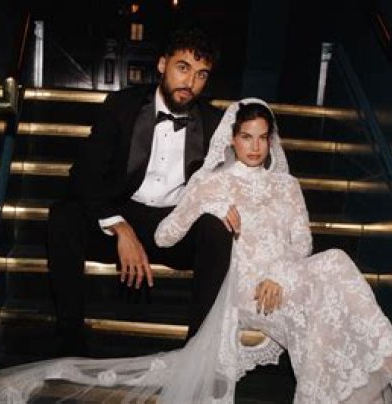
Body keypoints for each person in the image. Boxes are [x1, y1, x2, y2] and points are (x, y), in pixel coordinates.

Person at [0, 99, 392, 404]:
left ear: (272, 140)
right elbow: (165, 237)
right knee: (335, 269)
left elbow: (302, 244)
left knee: (330, 267)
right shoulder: (211, 183)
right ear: (232, 139)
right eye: (246, 136)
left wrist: (284, 279)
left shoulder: (288, 186)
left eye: (263, 137)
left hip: (286, 283)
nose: (255, 146)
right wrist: (212, 218)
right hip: (242, 292)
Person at [46, 26, 230, 355]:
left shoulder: (215, 122)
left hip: (176, 226)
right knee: (64, 217)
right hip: (123, 214)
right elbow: (83, 175)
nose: (190, 82)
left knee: (217, 230)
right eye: (183, 68)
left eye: (201, 74)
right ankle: (69, 339)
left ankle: (197, 351)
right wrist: (120, 227)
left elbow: (231, 180)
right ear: (162, 64)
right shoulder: (122, 106)